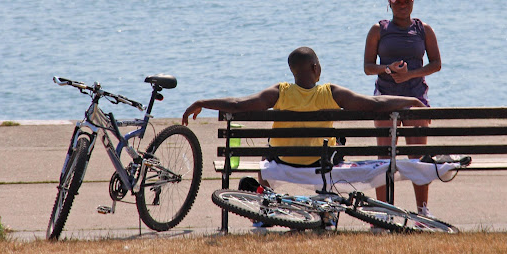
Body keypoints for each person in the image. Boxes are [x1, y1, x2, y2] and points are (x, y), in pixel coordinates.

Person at [182, 46, 425, 179]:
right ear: (315, 68)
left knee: (266, 157)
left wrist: (204, 101)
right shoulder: (331, 93)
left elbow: (238, 104)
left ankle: (264, 208)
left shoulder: (280, 92)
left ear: (292, 71)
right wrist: (409, 100)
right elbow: (374, 103)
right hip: (321, 162)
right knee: (336, 142)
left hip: (282, 161)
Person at [363, 0, 442, 217]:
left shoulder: (423, 30)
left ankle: (422, 211)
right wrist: (388, 69)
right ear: (389, 4)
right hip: (385, 99)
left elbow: (436, 63)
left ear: (413, 2)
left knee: (418, 158)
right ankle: (385, 211)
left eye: (406, 0)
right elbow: (368, 68)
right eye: (398, 1)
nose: (402, 5)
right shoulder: (378, 30)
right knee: (384, 157)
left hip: (416, 97)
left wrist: (410, 74)